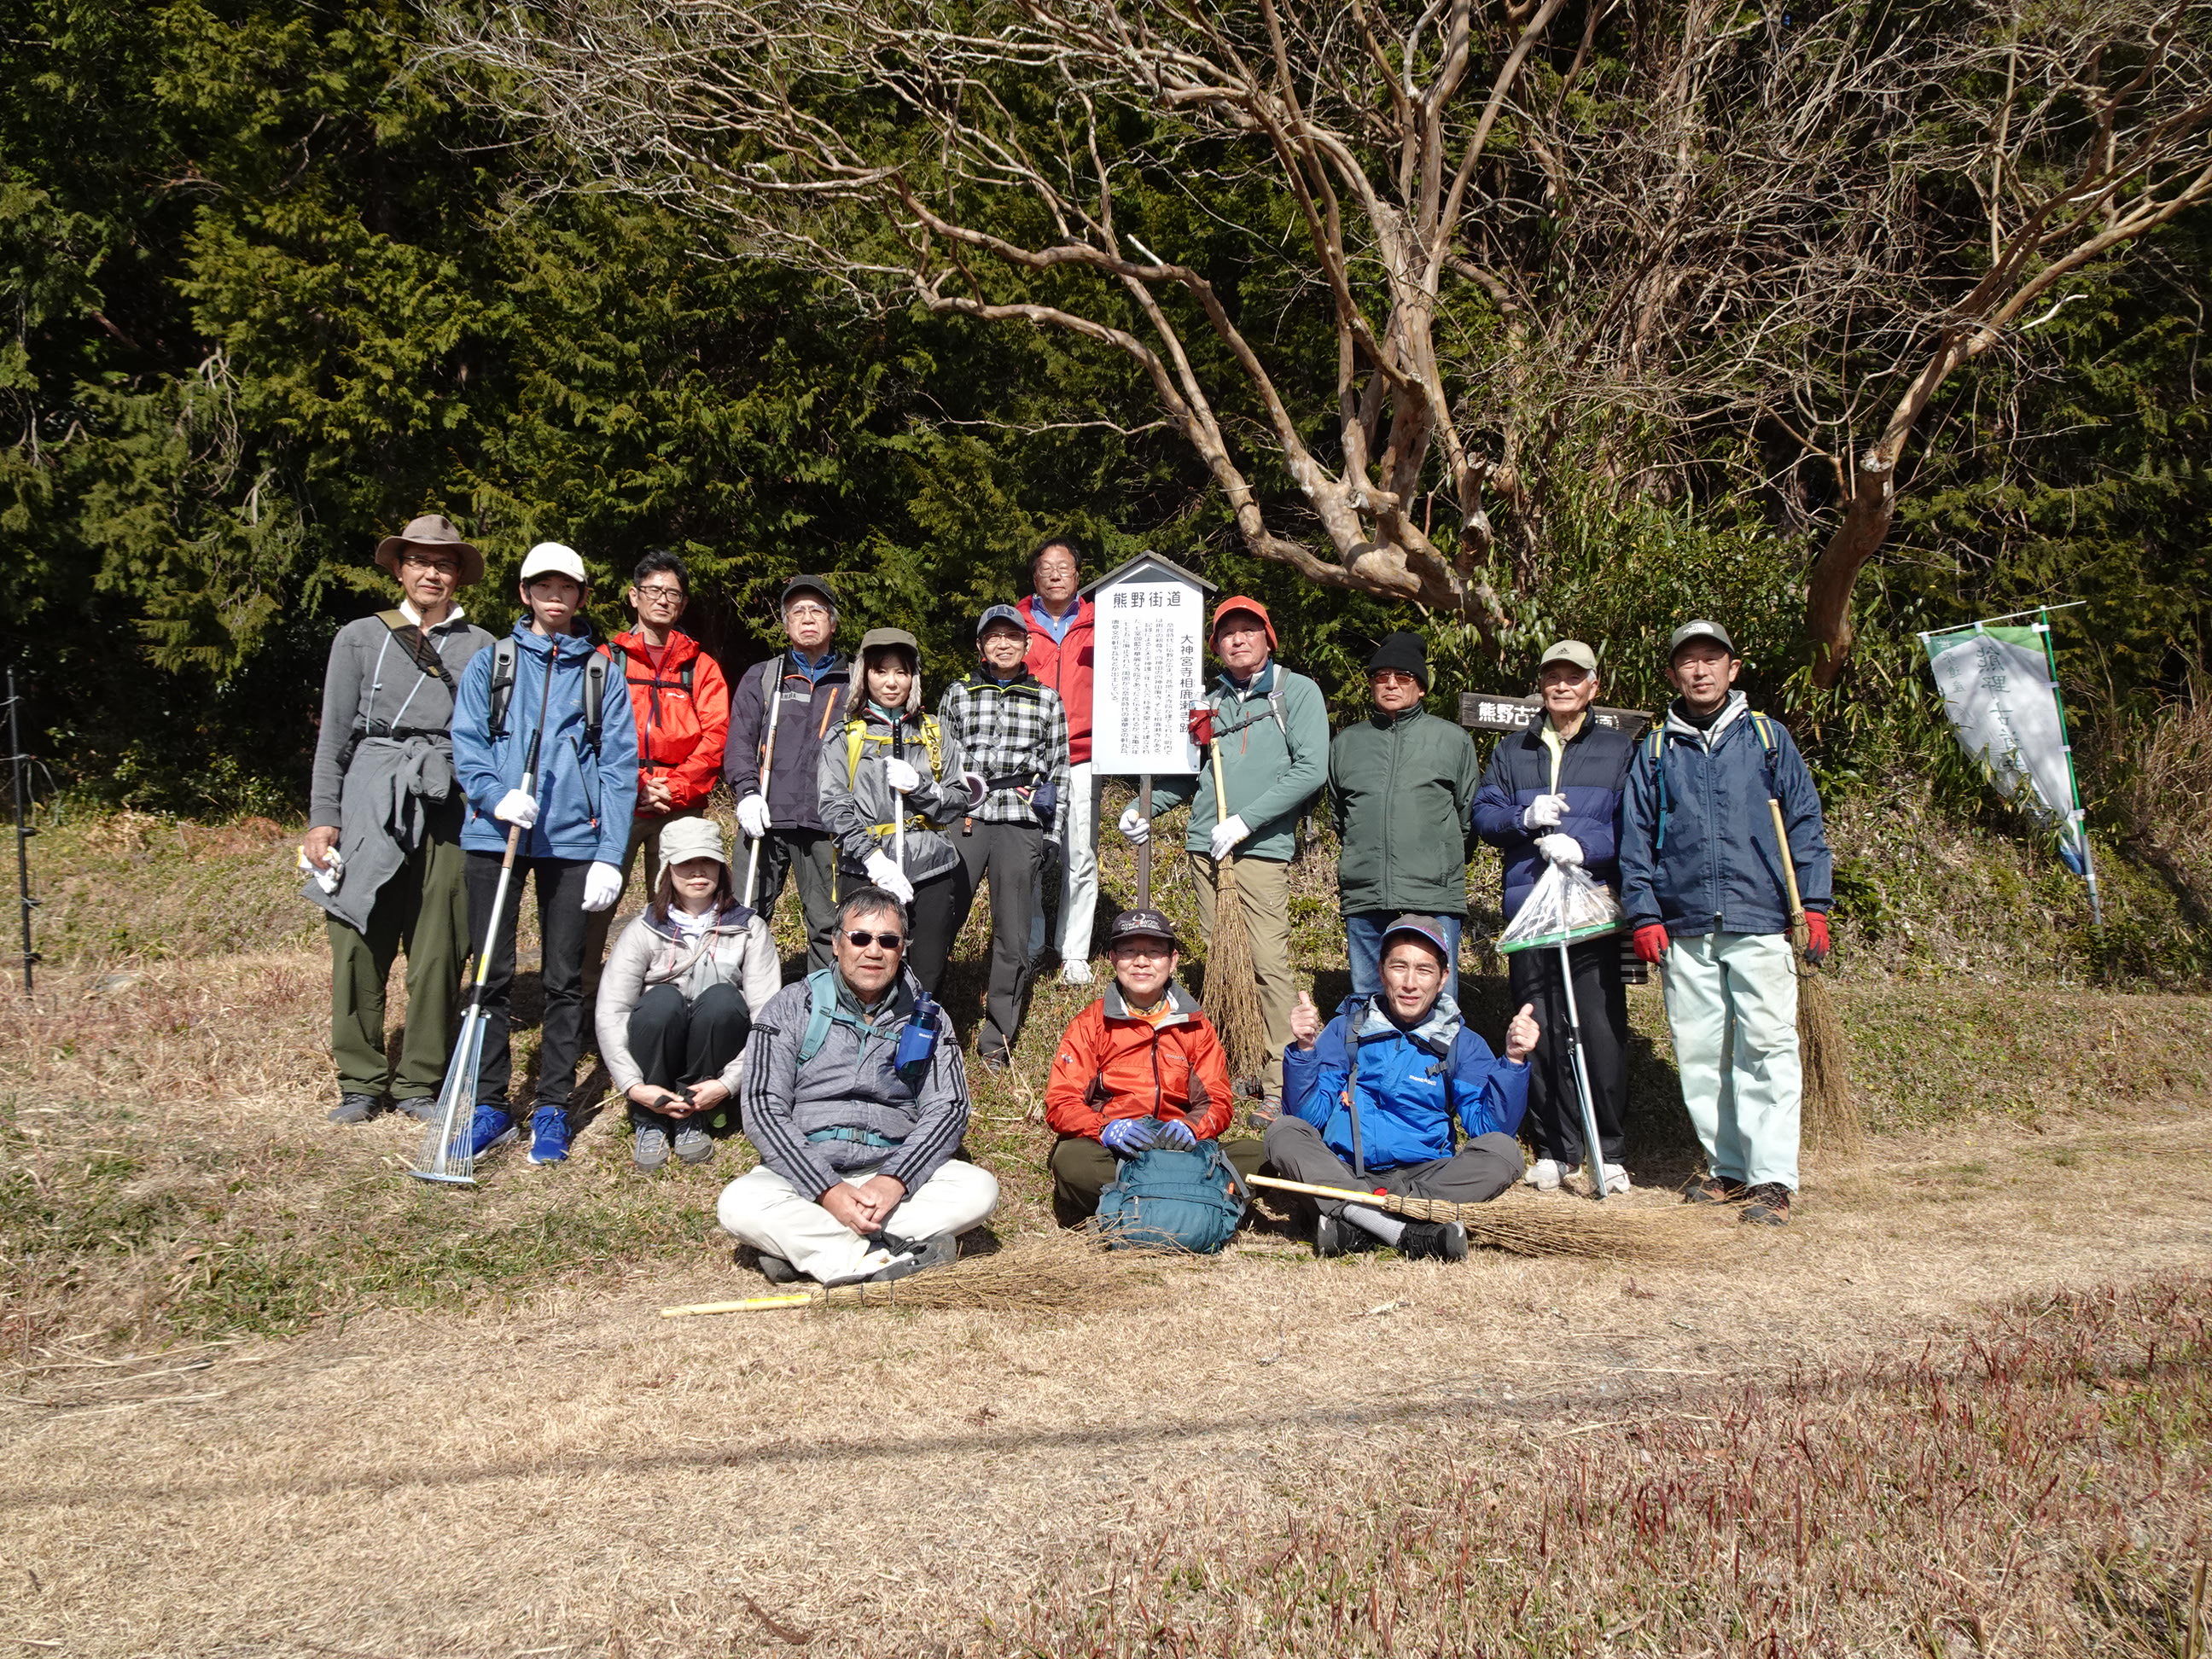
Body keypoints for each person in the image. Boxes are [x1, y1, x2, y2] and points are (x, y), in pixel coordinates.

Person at [1617, 620, 1833, 1227]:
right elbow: (1634, 841)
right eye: (1688, 662)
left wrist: (1814, 905)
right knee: (1702, 1050)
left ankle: (1772, 1178)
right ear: (1672, 675)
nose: (1701, 670)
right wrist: (1644, 913)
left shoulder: (1768, 738)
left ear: (1733, 669)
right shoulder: (1656, 750)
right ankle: (1729, 1167)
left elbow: (1806, 825)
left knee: (1767, 1047)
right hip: (1684, 924)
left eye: (1712, 659)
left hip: (1760, 917)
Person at [449, 541, 639, 1166]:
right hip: (494, 833)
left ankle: (553, 1105)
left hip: (571, 841)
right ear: (526, 593)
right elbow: (468, 743)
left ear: (582, 596)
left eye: (567, 588)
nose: (555, 598)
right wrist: (494, 795)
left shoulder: (602, 674)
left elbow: (618, 767)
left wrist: (610, 853)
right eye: (543, 587)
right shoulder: (492, 663)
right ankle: (488, 1103)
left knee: (563, 980)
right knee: (491, 975)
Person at [303, 514, 495, 1124]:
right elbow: (334, 734)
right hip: (371, 788)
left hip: (448, 795)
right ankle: (359, 1080)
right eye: (419, 560)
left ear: (458, 575)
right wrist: (323, 817)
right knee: (358, 936)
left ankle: (419, 1082)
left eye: (443, 563)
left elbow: (496, 735)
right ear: (400, 568)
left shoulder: (484, 646)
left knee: (442, 945)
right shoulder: (359, 636)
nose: (431, 572)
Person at [717, 888, 999, 1285]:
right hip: (807, 1175)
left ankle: (812, 1253)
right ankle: (878, 1258)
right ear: (836, 943)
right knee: (738, 1204)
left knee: (979, 1189)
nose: (874, 951)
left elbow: (949, 1108)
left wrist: (895, 1180)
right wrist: (826, 1190)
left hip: (889, 1171)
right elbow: (763, 1106)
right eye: (860, 937)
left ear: (903, 949)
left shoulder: (928, 1019)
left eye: (888, 940)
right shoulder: (791, 1005)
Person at [1117, 595, 1328, 1101]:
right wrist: (1143, 807)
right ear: (1215, 645)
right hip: (1206, 849)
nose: (1238, 639)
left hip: (1259, 849)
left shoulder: (1293, 693)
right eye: (1227, 633)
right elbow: (1191, 778)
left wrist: (1245, 821)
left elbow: (1310, 769)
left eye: (1248, 630)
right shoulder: (1208, 702)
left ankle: (1283, 1079)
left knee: (1267, 962)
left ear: (1268, 637)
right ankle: (1236, 1063)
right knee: (1223, 960)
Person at [1266, 916, 1540, 1259]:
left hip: (1425, 1181)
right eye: (1399, 967)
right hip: (1346, 1172)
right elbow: (1309, 1116)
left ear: (1443, 979)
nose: (1410, 983)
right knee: (1284, 1131)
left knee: (1504, 1152)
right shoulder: (1344, 1030)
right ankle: (1410, 1231)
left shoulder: (1462, 1044)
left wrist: (1513, 1061)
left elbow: (1491, 1129)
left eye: (1424, 970)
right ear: (1381, 973)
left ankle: (1356, 1224)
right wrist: (1305, 1052)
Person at [1471, 639, 1637, 1194]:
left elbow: (1632, 824)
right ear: (1541, 685)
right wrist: (1526, 816)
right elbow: (1485, 813)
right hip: (1529, 908)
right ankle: (1553, 1148)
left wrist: (1582, 844)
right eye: (1553, 677)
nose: (1562, 686)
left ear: (1594, 686)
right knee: (1537, 1028)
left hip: (1589, 906)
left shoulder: (1618, 749)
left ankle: (1605, 1148)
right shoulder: (1514, 749)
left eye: (1574, 677)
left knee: (1598, 1027)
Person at [1043, 907, 1266, 1225]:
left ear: (1172, 960)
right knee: (1071, 1162)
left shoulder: (1196, 1025)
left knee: (1259, 1156)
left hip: (1179, 1149)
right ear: (1112, 959)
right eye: (1129, 951)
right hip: (1119, 1152)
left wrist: (1191, 1128)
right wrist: (1105, 1129)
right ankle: (1191, 1202)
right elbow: (1061, 1102)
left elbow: (1218, 1101)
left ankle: (1134, 1206)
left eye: (1154, 952)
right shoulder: (1090, 1023)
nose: (1141, 962)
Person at [581, 550, 731, 993]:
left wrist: (675, 787)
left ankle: (670, 989)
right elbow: (592, 733)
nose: (663, 600)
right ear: (634, 596)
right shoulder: (606, 659)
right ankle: (584, 989)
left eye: (673, 594)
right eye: (654, 591)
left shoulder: (700, 666)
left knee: (680, 901)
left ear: (683, 604)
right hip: (618, 798)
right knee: (596, 901)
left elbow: (716, 736)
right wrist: (638, 786)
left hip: (680, 802)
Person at [594, 817, 780, 1172]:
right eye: (685, 864)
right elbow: (612, 1011)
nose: (698, 872)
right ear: (667, 869)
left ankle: (695, 1109)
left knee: (724, 1000)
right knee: (662, 1001)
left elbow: (766, 1016)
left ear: (722, 868)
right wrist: (633, 1087)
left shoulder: (750, 928)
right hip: (655, 1051)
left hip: (716, 1058)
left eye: (707, 861)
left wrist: (729, 1084)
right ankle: (651, 1112)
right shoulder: (642, 929)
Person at [938, 604, 1070, 1068]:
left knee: (1012, 934)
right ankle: (923, 1016)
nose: (1003, 644)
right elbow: (942, 760)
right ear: (980, 646)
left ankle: (998, 1036)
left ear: (1027, 644)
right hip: (965, 817)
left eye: (1012, 636)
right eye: (993, 637)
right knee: (939, 920)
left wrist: (1052, 833)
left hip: (1020, 819)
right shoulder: (957, 695)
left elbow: (1059, 771)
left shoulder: (1047, 700)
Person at [817, 627, 981, 995]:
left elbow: (958, 801)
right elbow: (833, 806)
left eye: (901, 672)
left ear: (913, 677)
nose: (891, 682)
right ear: (865, 675)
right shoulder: (845, 735)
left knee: (927, 975)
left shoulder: (936, 733)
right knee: (865, 972)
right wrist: (874, 859)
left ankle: (918, 1048)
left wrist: (920, 788)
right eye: (881, 671)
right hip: (865, 870)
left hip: (933, 871)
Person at [1330, 631, 1481, 1004]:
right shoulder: (1347, 743)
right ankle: (1374, 1062)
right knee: (1369, 993)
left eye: (1403, 676)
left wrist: (1440, 860)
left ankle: (1439, 1063)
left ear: (1422, 687)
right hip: (1366, 888)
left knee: (1436, 995)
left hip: (1433, 890)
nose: (1391, 684)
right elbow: (1340, 816)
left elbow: (1468, 815)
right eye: (1381, 677)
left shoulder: (1452, 739)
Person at [730, 574, 850, 971]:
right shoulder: (765, 676)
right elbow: (740, 742)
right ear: (785, 624)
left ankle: (823, 1011)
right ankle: (738, 1007)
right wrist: (746, 792)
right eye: (797, 611)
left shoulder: (854, 682)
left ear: (833, 623)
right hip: (765, 817)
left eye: (817, 610)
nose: (807, 618)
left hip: (825, 824)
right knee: (742, 918)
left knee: (828, 926)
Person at [1018, 536, 1098, 983]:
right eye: (1046, 567)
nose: (1055, 574)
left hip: (1084, 755)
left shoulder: (1100, 621)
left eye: (1064, 567)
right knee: (1027, 854)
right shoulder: (1016, 624)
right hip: (1027, 759)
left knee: (1080, 855)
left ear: (1077, 575)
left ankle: (1074, 951)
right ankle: (1031, 945)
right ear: (1034, 577)